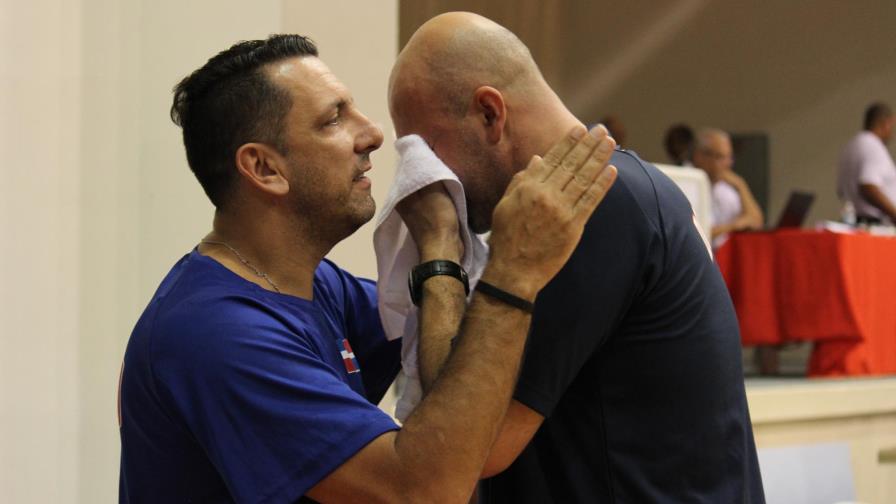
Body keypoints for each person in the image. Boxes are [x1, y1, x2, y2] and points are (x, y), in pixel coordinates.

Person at [117, 34, 618, 503]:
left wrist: (443, 247)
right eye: (334, 119)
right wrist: (513, 271)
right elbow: (425, 488)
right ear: (265, 169)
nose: (374, 134)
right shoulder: (218, 334)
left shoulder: (317, 286)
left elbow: (456, 356)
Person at [389, 12, 764, 503]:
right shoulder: (613, 190)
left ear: (489, 114)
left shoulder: (588, 206)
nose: (423, 176)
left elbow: (463, 448)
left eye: (427, 150)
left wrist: (439, 246)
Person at [691, 128, 764, 248]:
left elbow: (756, 221)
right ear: (699, 157)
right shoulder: (686, 184)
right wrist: (734, 226)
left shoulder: (724, 187)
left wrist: (741, 186)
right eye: (720, 157)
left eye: (729, 157)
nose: (728, 164)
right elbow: (695, 234)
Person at [837, 102, 896, 224]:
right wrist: (894, 213)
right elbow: (868, 185)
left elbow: (841, 190)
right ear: (885, 123)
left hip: (854, 221)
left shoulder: (852, 145)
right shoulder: (872, 146)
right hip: (873, 224)